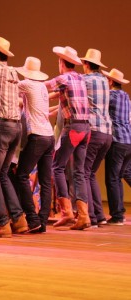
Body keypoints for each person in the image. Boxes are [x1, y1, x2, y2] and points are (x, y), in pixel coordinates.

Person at [0, 36, 28, 238]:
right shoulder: (13, 71)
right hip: (17, 126)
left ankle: (3, 223)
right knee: (2, 173)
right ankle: (19, 220)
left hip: (3, 126)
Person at [45, 46, 91, 230]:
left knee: (57, 166)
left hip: (73, 128)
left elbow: (45, 86)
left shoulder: (63, 78)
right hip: (86, 128)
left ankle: (67, 213)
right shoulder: (80, 78)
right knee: (79, 172)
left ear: (62, 62)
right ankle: (84, 216)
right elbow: (60, 93)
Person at [15, 56, 55, 233]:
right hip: (49, 135)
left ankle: (32, 218)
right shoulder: (41, 87)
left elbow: (9, 86)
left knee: (21, 175)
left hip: (37, 136)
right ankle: (42, 221)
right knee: (45, 181)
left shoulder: (27, 84)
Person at [80, 49, 112, 227]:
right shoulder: (105, 81)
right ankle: (99, 216)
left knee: (83, 173)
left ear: (86, 64)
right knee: (90, 174)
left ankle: (91, 217)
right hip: (107, 132)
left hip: (94, 130)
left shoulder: (85, 80)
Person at [101, 68, 131, 225]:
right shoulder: (126, 96)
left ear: (111, 81)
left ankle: (118, 215)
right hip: (128, 141)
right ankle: (120, 213)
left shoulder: (110, 96)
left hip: (118, 140)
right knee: (118, 177)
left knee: (112, 178)